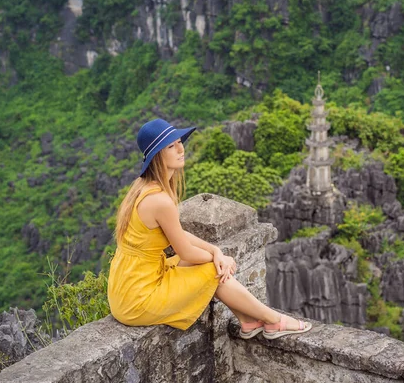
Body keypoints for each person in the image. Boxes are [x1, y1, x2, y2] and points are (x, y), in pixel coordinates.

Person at [107, 118, 312, 339]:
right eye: (171, 146)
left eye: (179, 142)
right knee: (213, 271)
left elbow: (177, 234)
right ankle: (273, 320)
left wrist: (215, 251)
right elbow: (185, 252)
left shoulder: (144, 189)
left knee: (205, 265)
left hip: (126, 287)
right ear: (157, 155)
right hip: (137, 298)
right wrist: (220, 260)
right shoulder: (160, 200)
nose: (180, 149)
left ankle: (249, 321)